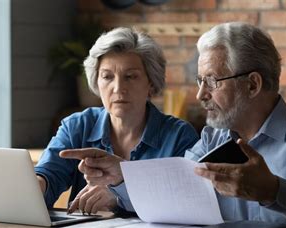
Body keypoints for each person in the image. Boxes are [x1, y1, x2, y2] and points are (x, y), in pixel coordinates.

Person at [60, 22, 286, 228]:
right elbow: (174, 193)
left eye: (212, 82)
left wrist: (273, 190)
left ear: (253, 84)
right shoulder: (212, 138)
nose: (201, 95)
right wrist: (123, 175)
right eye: (200, 81)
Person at [34, 27, 198, 215]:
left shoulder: (179, 136)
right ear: (97, 82)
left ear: (151, 82)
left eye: (130, 76)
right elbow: (49, 175)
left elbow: (187, 203)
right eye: (107, 77)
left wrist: (121, 196)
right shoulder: (77, 127)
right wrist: (36, 186)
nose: (118, 88)